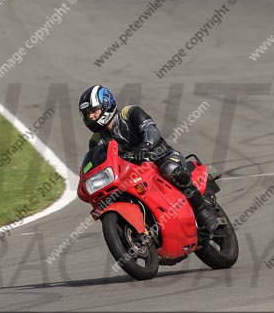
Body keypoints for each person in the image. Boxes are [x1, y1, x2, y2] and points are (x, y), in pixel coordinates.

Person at [78, 84, 218, 233]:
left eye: (94, 111)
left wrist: (146, 145)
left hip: (161, 157)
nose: (91, 116)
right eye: (87, 114)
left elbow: (151, 130)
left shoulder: (129, 113)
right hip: (132, 173)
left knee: (170, 170)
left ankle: (203, 211)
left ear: (106, 104)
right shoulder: (95, 141)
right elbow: (98, 165)